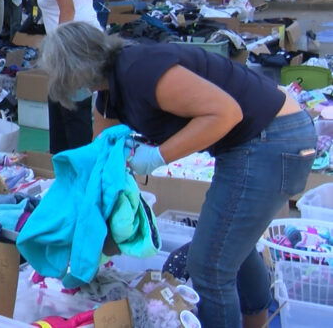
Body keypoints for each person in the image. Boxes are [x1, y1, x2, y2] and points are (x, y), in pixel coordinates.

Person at [42, 21, 316, 328]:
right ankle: (259, 319)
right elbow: (100, 152)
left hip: (273, 139)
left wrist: (155, 156)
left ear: (77, 67)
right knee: (229, 242)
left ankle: (253, 318)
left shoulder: (140, 71)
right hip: (259, 139)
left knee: (209, 265)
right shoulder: (110, 90)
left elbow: (225, 113)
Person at [4, 0, 100, 154]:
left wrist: (58, 51)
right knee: (59, 109)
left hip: (76, 46)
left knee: (72, 111)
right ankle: (62, 167)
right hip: (72, 44)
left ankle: (78, 172)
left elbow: (67, 10)